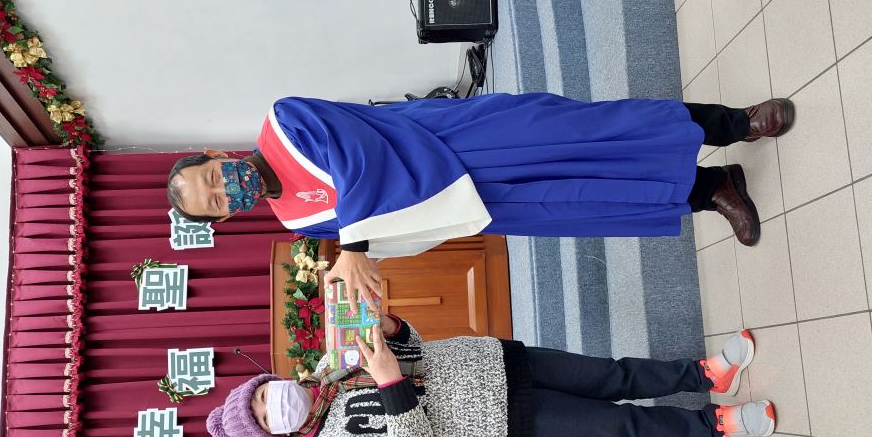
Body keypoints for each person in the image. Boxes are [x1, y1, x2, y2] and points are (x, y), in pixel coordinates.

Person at [167, 93, 794, 307]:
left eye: (215, 180)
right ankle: (713, 189)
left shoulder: (284, 124)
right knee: (580, 197)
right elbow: (381, 225)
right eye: (218, 204)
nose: (227, 192)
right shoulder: (294, 217)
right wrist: (370, 265)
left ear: (216, 155)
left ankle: (733, 123)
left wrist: (354, 245)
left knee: (593, 134)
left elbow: (357, 153)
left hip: (464, 142)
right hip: (471, 200)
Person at [206, 313, 773, 437]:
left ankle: (704, 373)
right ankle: (715, 424)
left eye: (263, 396)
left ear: (270, 380)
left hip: (497, 363)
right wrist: (390, 383)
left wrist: (392, 329)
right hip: (501, 427)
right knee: (618, 426)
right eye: (266, 418)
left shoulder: (331, 366)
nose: (274, 405)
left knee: (611, 374)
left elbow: (413, 349)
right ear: (277, 435)